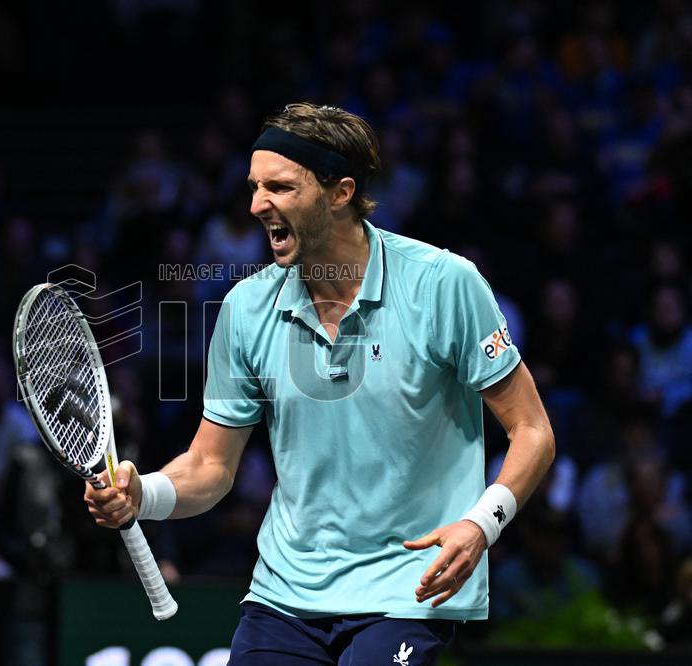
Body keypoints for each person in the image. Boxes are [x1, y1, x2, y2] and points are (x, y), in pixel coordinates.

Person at [86, 103, 556, 665]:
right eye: (255, 187)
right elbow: (211, 467)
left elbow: (532, 430)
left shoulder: (443, 284)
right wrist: (146, 494)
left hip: (407, 587)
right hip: (284, 595)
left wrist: (481, 526)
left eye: (281, 188)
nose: (257, 205)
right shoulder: (245, 307)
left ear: (340, 193)